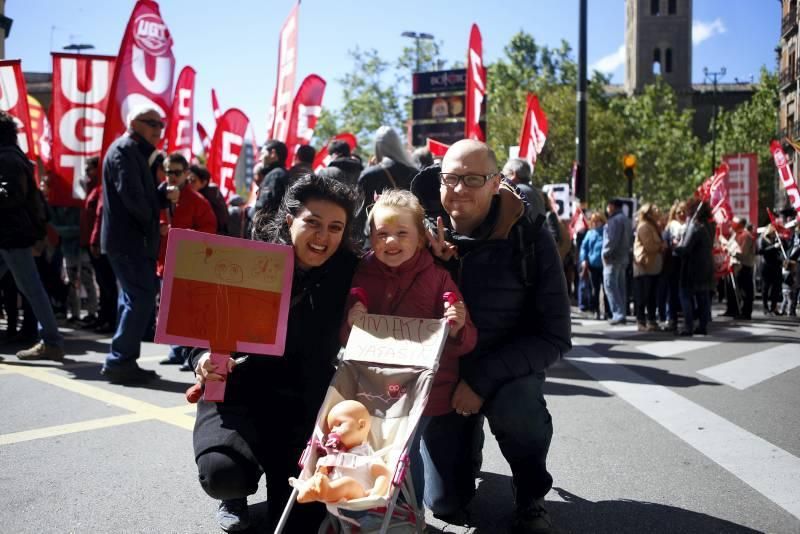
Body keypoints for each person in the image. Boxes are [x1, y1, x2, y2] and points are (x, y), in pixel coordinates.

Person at [410, 139, 571, 533]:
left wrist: (481, 382)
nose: (459, 188)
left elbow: (555, 336)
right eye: (451, 178)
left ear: (496, 182)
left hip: (507, 373)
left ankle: (531, 491)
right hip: (444, 378)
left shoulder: (529, 237)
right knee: (444, 504)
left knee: (518, 410)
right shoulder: (417, 236)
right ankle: (466, 448)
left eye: (473, 179)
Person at [189, 174, 360, 533]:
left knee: (303, 519)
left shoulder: (351, 270)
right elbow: (204, 332)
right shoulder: (249, 264)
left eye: (335, 227)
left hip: (304, 403)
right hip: (242, 394)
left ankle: (282, 479)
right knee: (223, 473)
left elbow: (403, 263)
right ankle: (234, 492)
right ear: (288, 220)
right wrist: (202, 359)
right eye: (312, 223)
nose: (322, 237)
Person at [340, 189, 477, 508]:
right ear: (370, 236)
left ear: (420, 239)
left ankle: (407, 500)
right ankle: (401, 513)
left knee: (444, 501)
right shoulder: (361, 274)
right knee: (399, 452)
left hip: (427, 393)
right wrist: (351, 323)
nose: (390, 242)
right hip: (377, 390)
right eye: (381, 234)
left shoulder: (439, 278)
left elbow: (467, 341)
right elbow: (345, 341)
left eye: (402, 233)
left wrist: (457, 327)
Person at [100, 106, 177, 383]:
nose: (158, 129)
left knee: (132, 299)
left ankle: (122, 360)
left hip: (129, 240)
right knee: (141, 298)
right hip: (128, 241)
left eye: (161, 124)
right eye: (152, 123)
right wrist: (152, 218)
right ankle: (120, 361)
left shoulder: (133, 152)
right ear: (134, 122)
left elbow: (137, 196)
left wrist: (160, 195)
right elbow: (132, 198)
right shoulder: (124, 150)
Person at [0, 110, 65, 361]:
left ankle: (52, 341)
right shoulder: (13, 156)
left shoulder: (6, 159)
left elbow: (11, 195)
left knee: (32, 288)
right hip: (11, 234)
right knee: (31, 287)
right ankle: (51, 340)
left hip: (11, 235)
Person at [158, 153, 218, 367]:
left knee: (189, 312)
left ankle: (190, 355)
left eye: (176, 172)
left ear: (185, 174)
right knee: (169, 310)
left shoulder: (197, 201)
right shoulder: (159, 197)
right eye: (167, 172)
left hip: (188, 264)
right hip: (165, 262)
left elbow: (208, 231)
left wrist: (177, 232)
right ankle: (176, 351)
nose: (171, 176)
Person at [294, 400, 391, 504]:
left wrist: (375, 493)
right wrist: (321, 472)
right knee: (318, 477)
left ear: (361, 425)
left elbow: (383, 474)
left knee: (348, 483)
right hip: (335, 495)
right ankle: (311, 489)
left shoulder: (367, 453)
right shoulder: (335, 454)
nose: (333, 431)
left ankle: (324, 491)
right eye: (331, 428)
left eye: (339, 424)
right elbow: (325, 468)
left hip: (358, 496)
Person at [354, 126, 417, 246]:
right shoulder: (415, 172)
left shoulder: (370, 174)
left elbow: (360, 214)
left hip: (379, 238)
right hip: (410, 237)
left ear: (377, 146)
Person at [675, 201, 713, 335]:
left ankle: (688, 326)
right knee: (703, 297)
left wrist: (675, 247)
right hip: (706, 265)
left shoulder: (695, 226)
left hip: (692, 267)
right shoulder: (709, 225)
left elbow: (685, 248)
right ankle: (703, 326)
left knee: (685, 295)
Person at [632, 203, 664, 332]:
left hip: (652, 266)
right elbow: (650, 246)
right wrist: (661, 246)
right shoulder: (644, 226)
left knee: (651, 295)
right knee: (643, 295)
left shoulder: (652, 226)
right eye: (654, 210)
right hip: (644, 266)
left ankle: (651, 321)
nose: (657, 211)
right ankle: (641, 321)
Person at [603, 198, 633, 325]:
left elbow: (611, 239)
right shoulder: (626, 220)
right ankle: (622, 313)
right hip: (623, 257)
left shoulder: (615, 220)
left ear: (612, 206)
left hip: (612, 258)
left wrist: (606, 253)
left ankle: (618, 313)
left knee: (610, 286)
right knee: (620, 287)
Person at [721, 216, 755, 319]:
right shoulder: (736, 234)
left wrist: (729, 251)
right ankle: (732, 310)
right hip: (734, 265)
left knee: (744, 291)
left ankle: (745, 312)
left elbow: (742, 253)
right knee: (733, 289)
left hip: (743, 266)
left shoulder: (746, 236)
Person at [579, 212, 608, 320]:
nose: (595, 223)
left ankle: (607, 311)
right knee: (595, 289)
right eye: (593, 221)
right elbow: (584, 248)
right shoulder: (590, 233)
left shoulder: (606, 232)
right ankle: (596, 310)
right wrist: (584, 259)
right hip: (593, 265)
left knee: (606, 289)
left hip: (604, 264)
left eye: (597, 221)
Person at [188, 164, 229, 236]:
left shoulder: (206, 199)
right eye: (187, 180)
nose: (189, 184)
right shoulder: (212, 193)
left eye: (193, 181)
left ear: (204, 183)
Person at [254, 139, 290, 216]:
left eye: (262, 154)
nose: (260, 158)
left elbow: (264, 207)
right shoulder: (282, 174)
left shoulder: (275, 175)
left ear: (273, 153)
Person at [758, 224, 783, 316]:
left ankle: (774, 307)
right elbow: (760, 251)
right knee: (766, 287)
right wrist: (773, 247)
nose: (774, 234)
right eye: (773, 232)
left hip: (776, 266)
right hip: (766, 266)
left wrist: (781, 243)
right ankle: (765, 308)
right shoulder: (762, 239)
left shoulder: (776, 239)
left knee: (776, 288)